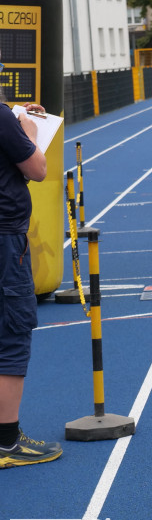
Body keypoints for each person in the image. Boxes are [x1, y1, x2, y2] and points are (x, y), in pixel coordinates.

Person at [0, 88, 59, 468]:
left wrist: (17, 116)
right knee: (12, 336)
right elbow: (38, 169)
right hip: (5, 241)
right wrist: (30, 132)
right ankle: (6, 443)